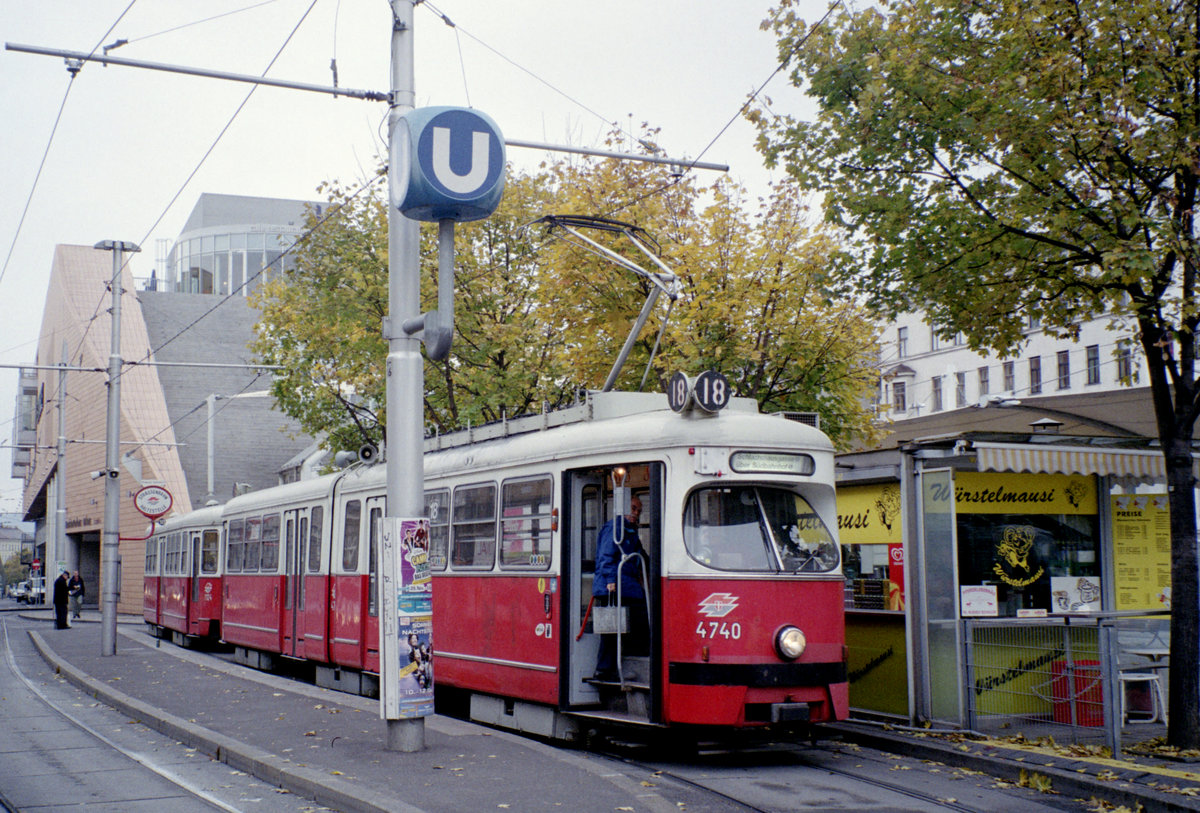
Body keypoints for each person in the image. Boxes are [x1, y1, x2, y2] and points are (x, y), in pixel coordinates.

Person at [592, 494, 649, 681]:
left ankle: (630, 663)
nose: (636, 514)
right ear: (624, 508)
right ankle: (604, 670)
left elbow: (641, 556)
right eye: (633, 509)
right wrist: (610, 581)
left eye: (639, 511)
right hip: (614, 585)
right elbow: (606, 556)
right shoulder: (615, 528)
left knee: (636, 621)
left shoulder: (631, 531)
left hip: (628, 586)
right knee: (611, 630)